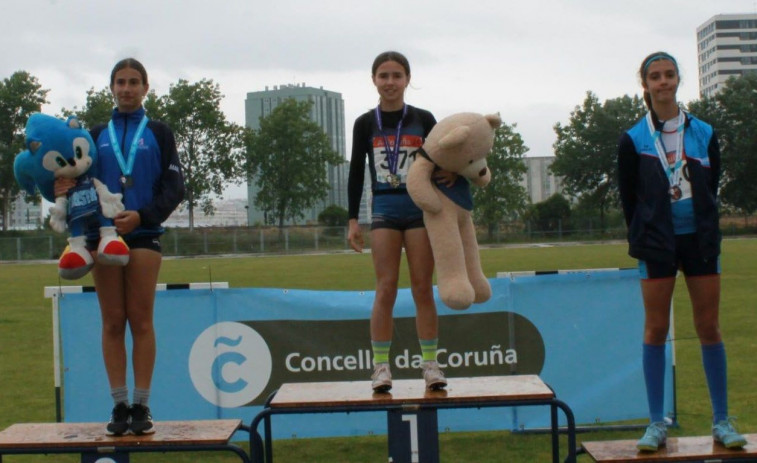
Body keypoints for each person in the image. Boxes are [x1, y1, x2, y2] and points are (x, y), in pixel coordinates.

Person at [617, 51, 746, 452]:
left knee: (708, 326)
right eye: (655, 76)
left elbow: (713, 181)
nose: (663, 82)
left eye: (669, 74)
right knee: (656, 329)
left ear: (678, 80)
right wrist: (645, 232)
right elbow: (628, 198)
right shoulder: (634, 139)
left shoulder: (704, 132)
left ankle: (721, 420)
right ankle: (657, 423)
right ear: (646, 84)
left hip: (700, 240)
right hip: (656, 242)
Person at [55, 58, 185, 435]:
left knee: (141, 320)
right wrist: (58, 188)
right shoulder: (94, 134)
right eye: (120, 82)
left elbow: (174, 187)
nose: (126, 88)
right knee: (112, 322)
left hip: (143, 236)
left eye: (134, 82)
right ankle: (118, 406)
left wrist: (142, 216)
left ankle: (142, 407)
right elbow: (70, 177)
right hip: (101, 238)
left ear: (146, 88)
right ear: (111, 88)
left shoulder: (159, 132)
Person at [347, 51, 455, 392]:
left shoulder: (423, 118)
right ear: (374, 80)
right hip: (384, 210)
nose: (390, 82)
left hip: (421, 210)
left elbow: (444, 157)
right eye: (383, 75)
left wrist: (450, 171)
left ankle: (430, 365)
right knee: (386, 288)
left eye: (396, 75)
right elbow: (354, 172)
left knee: (423, 288)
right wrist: (352, 219)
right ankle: (381, 368)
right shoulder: (365, 123)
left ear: (407, 79)